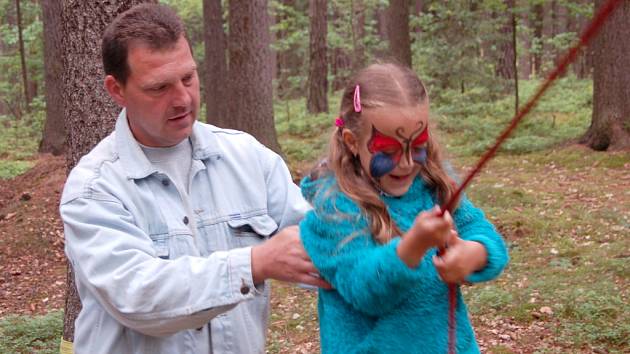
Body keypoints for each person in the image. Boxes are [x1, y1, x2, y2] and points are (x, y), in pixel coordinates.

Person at [60, 4, 328, 354]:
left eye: (188, 77)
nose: (183, 99)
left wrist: (405, 249)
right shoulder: (95, 188)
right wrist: (255, 263)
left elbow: (324, 244)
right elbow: (139, 297)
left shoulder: (246, 158)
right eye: (159, 88)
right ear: (117, 90)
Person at [299, 63, 509, 353]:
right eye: (388, 151)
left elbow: (483, 234)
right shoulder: (333, 210)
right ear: (351, 142)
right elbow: (365, 289)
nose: (408, 162)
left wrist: (475, 252)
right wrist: (412, 247)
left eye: (418, 145)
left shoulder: (433, 184)